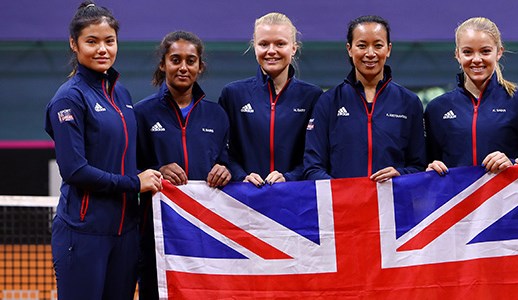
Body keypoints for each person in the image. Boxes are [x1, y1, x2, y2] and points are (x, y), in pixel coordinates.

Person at [44, 1, 162, 299]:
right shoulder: (68, 99)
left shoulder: (121, 94)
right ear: (74, 44)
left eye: (109, 41)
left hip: (125, 234)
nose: (102, 50)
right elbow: (75, 170)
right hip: (83, 234)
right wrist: (135, 183)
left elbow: (121, 159)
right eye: (91, 42)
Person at [134, 30, 232, 299]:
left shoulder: (217, 115)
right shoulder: (141, 114)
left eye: (191, 60)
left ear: (200, 66)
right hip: (157, 237)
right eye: (175, 60)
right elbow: (129, 169)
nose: (183, 67)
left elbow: (227, 161)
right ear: (163, 64)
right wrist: (156, 170)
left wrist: (226, 169)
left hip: (207, 234)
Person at [304, 15, 426, 182]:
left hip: (393, 205)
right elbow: (313, 167)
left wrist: (401, 175)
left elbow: (420, 166)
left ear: (388, 49)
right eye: (362, 46)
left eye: (378, 45)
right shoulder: (328, 102)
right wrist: (344, 192)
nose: (370, 53)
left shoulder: (409, 102)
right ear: (349, 49)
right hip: (343, 205)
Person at [424, 17, 518, 175]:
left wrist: (510, 162)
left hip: (506, 198)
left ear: (499, 52)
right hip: (457, 199)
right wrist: (430, 169)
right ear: (457, 55)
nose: (476, 59)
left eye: (485, 51)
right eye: (468, 52)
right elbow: (426, 163)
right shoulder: (437, 108)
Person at [219, 12, 323, 186]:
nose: (271, 51)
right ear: (254, 47)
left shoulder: (312, 96)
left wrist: (290, 177)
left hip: (294, 198)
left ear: (294, 48)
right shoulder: (233, 94)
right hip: (245, 198)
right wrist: (241, 176)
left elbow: (316, 154)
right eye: (264, 44)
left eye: (280, 44)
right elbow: (222, 151)